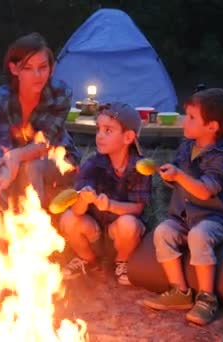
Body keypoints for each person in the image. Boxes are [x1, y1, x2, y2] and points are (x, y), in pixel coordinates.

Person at [139, 88, 223, 326]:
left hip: (212, 219)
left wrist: (180, 175)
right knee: (163, 232)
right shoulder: (186, 146)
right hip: (183, 216)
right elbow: (177, 174)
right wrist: (169, 176)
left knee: (199, 236)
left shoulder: (220, 158)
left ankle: (207, 299)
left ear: (212, 126)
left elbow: (204, 190)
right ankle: (180, 292)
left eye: (192, 117)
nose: (185, 121)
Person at [59, 102, 151, 285]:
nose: (99, 136)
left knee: (129, 224)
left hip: (122, 235)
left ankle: (122, 262)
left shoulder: (139, 167)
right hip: (95, 232)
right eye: (98, 129)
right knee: (68, 219)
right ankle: (89, 260)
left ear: (128, 137)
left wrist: (110, 205)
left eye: (108, 131)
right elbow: (77, 211)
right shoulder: (93, 165)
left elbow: (137, 209)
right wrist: (84, 200)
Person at [0, 32, 80, 209]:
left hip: (59, 160)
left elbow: (46, 142)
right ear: (15, 69)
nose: (37, 75)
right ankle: (6, 233)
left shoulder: (60, 93)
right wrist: (4, 174)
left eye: (42, 67)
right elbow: (3, 146)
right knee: (2, 180)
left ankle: (36, 229)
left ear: (51, 68)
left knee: (30, 167)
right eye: (28, 68)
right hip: (14, 159)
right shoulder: (1, 99)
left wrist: (15, 156)